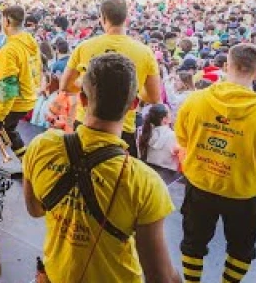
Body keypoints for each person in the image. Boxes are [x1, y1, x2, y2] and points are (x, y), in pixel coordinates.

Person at [23, 53, 179, 283]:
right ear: (133, 105)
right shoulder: (144, 181)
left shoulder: (42, 146)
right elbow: (160, 276)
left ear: (83, 99)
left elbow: (35, 210)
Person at [176, 44, 256, 283]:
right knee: (241, 249)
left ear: (226, 66)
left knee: (193, 242)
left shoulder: (195, 101)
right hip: (241, 192)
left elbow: (182, 139)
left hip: (200, 184)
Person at [60, 0, 161, 158]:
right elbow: (154, 97)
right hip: (122, 127)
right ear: (126, 18)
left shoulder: (84, 47)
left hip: (86, 123)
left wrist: (90, 88)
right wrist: (129, 93)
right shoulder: (145, 53)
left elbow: (65, 86)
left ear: (103, 18)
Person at [0, 5, 41, 186]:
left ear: (6, 21)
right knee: (10, 132)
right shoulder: (30, 42)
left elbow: (8, 89)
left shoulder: (10, 50)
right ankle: (31, 169)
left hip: (13, 103)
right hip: (27, 100)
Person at [139, 104, 179, 171]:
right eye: (169, 112)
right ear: (164, 119)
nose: (171, 114)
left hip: (150, 171)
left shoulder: (146, 133)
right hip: (168, 174)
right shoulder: (173, 136)